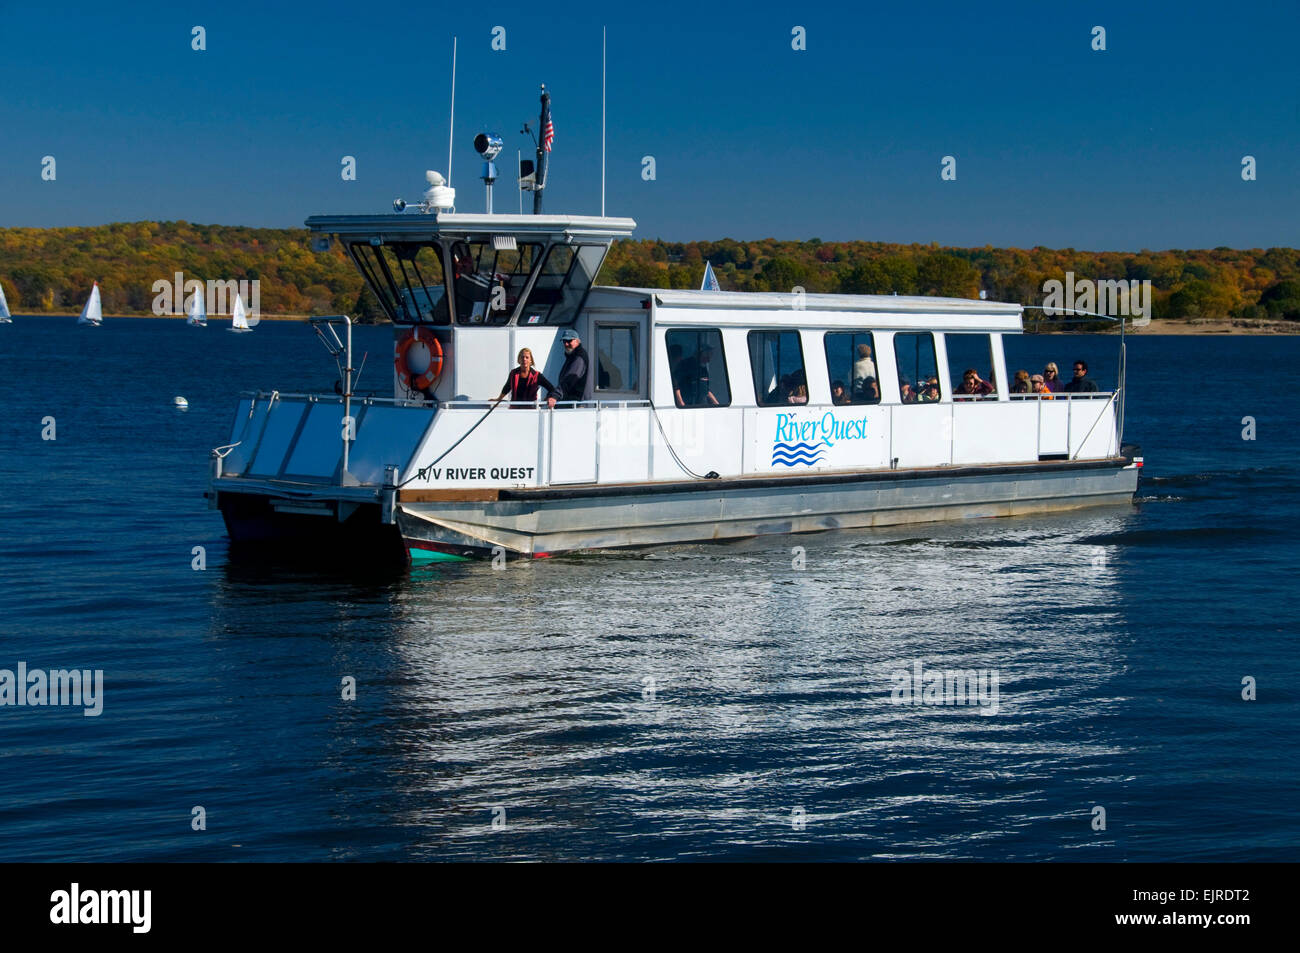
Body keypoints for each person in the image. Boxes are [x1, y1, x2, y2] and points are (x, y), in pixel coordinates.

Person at [550, 329, 593, 407]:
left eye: (569, 341)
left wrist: (555, 396)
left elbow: (569, 380)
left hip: (577, 404)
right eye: (564, 341)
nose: (566, 344)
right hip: (571, 402)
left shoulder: (579, 357)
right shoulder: (572, 356)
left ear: (577, 341)